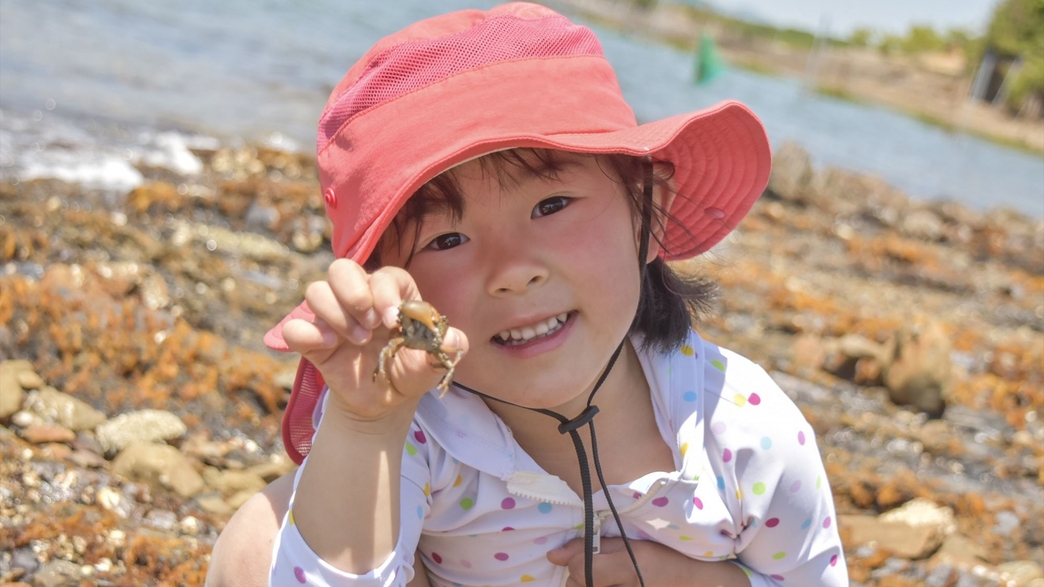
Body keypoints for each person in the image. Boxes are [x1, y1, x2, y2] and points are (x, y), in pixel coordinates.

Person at [206, 4, 847, 587]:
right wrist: (364, 426)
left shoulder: (744, 434)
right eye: (447, 239)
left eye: (552, 204)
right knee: (259, 544)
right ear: (390, 290)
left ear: (648, 211)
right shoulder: (416, 426)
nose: (511, 272)